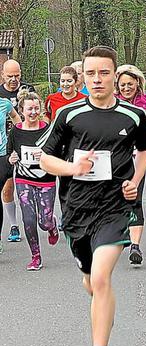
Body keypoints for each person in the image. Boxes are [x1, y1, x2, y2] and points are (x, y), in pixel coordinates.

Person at [38, 46, 146, 346]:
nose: (97, 80)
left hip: (115, 208)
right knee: (92, 284)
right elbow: (44, 159)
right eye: (91, 74)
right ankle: (102, 309)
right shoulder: (68, 115)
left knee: (102, 279)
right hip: (76, 212)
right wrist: (72, 168)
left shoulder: (133, 116)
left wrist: (135, 180)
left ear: (114, 75)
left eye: (104, 73)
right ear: (83, 76)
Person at [7, 90, 58, 270]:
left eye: (37, 108)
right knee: (28, 220)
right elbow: (10, 153)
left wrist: (45, 155)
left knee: (44, 222)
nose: (33, 112)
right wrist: (11, 159)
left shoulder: (48, 130)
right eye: (30, 109)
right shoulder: (15, 131)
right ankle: (35, 256)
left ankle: (52, 225)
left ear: (41, 109)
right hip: (23, 179)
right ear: (22, 110)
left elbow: (57, 153)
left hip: (46, 179)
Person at [115, 64, 146, 264]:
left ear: (137, 83)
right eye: (122, 85)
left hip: (138, 158)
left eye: (130, 84)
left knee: (135, 199)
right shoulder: (112, 103)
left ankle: (135, 246)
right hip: (116, 160)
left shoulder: (145, 104)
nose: (126, 88)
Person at [1, 59, 35, 243]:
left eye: (17, 75)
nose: (14, 79)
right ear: (3, 75)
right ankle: (14, 225)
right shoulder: (0, 95)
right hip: (6, 148)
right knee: (8, 187)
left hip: (26, 144)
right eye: (10, 76)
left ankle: (41, 218)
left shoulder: (29, 89)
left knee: (30, 186)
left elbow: (38, 111)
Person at [0, 93, 21, 253]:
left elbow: (16, 118)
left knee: (6, 192)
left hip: (2, 156)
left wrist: (16, 139)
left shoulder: (4, 103)